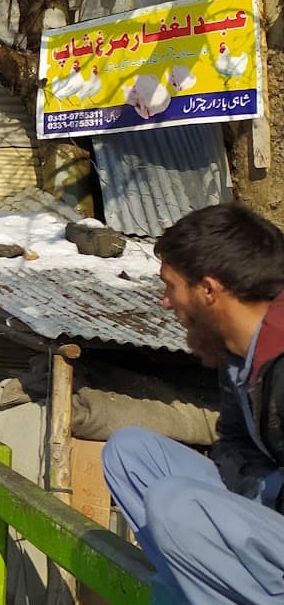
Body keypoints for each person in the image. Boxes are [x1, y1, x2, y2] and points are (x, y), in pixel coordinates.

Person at [102, 204, 284, 604]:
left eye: (171, 286)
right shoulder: (237, 353)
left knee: (175, 504)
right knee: (129, 452)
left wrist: (265, 494)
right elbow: (232, 445)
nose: (166, 303)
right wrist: (253, 492)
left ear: (208, 290)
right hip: (264, 507)